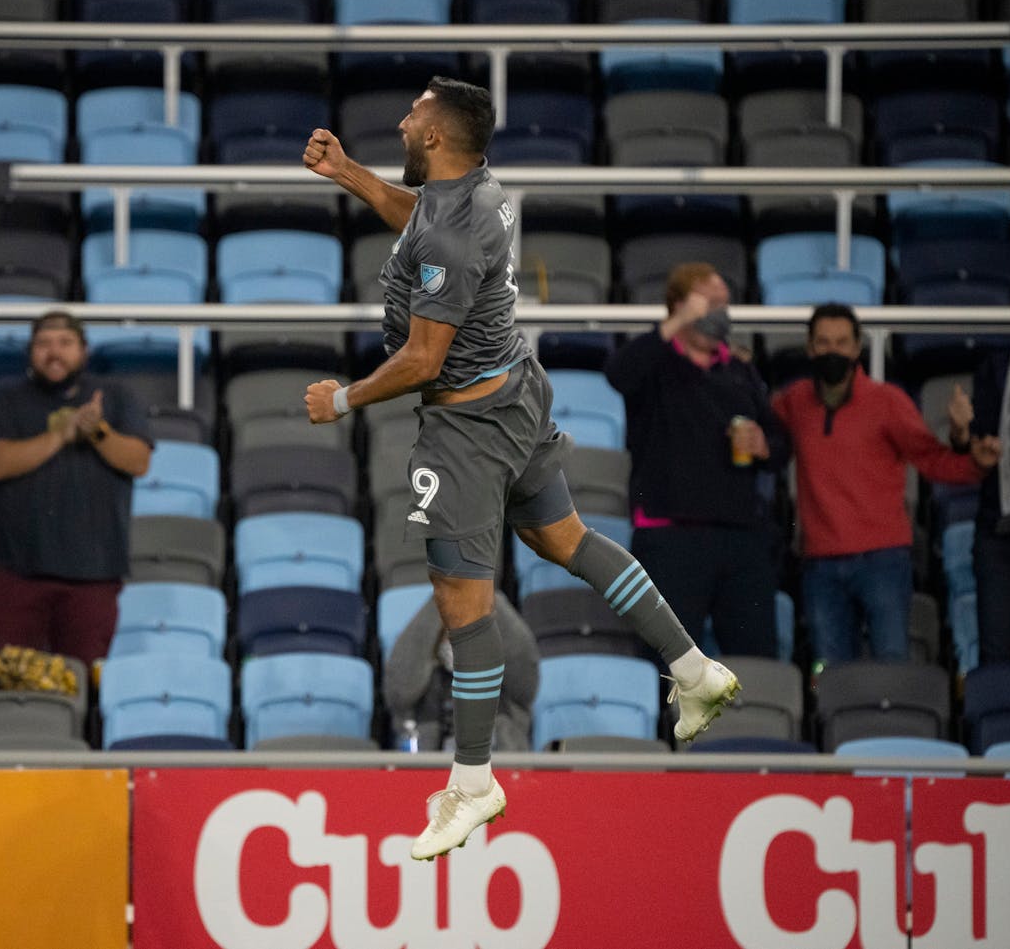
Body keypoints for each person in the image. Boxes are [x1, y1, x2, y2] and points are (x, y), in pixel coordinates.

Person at [302, 77, 738, 862]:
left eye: (412, 116)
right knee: (566, 538)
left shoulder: (451, 228)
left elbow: (422, 356)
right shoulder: (481, 189)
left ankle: (472, 783)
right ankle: (691, 664)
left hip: (468, 426)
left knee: (460, 602)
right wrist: (353, 177)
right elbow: (422, 224)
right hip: (515, 393)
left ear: (435, 138)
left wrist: (343, 399)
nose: (401, 121)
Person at [772, 303, 997, 672]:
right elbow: (756, 420)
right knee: (830, 676)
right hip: (820, 565)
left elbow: (932, 459)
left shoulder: (887, 402)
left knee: (893, 668)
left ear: (857, 347)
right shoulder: (795, 401)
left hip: (883, 560)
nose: (833, 351)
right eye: (824, 342)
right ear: (810, 349)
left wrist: (971, 455)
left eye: (842, 342)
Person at [605, 262, 789, 659]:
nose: (720, 313)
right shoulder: (655, 364)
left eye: (724, 304)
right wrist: (676, 323)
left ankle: (750, 724)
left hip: (741, 537)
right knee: (667, 659)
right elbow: (619, 373)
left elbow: (780, 442)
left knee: (756, 655)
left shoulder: (739, 370)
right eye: (710, 304)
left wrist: (763, 445)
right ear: (680, 307)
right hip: (671, 538)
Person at [0, 311, 152, 668]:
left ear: (84, 351)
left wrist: (97, 431)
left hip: (92, 577)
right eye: (43, 344)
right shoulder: (5, 401)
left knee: (82, 690)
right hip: (16, 575)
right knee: (10, 688)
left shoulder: (115, 397)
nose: (53, 352)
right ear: (30, 352)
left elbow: (138, 461)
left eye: (64, 343)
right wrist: (61, 435)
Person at [383, 591, 537, 753]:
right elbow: (398, 692)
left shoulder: (506, 686)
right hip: (433, 772)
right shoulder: (424, 685)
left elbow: (526, 676)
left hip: (499, 770)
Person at [967, 341, 1010, 666]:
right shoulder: (996, 367)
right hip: (1001, 534)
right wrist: (964, 434)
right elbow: (975, 444)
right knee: (996, 658)